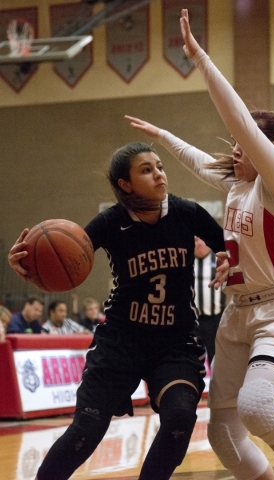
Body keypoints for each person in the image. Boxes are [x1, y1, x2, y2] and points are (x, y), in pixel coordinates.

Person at [124, 9, 274, 480]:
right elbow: (198, 162)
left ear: (271, 148)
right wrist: (163, 137)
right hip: (237, 314)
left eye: (246, 140)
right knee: (222, 432)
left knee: (257, 407)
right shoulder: (237, 183)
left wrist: (200, 59)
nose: (235, 146)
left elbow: (238, 119)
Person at [8, 141, 229, 480]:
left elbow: (230, 246)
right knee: (86, 429)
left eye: (159, 166)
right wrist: (30, 266)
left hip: (176, 341)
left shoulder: (187, 213)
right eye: (146, 169)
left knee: (180, 418)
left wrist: (230, 259)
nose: (158, 174)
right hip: (120, 341)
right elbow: (66, 256)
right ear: (124, 184)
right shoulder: (111, 222)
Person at [193, 236, 225, 365]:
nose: (199, 243)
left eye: (202, 239)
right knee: (192, 361)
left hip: (215, 320)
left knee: (217, 361)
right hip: (192, 322)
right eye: (195, 240)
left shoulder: (219, 260)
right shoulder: (185, 260)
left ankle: (218, 385)